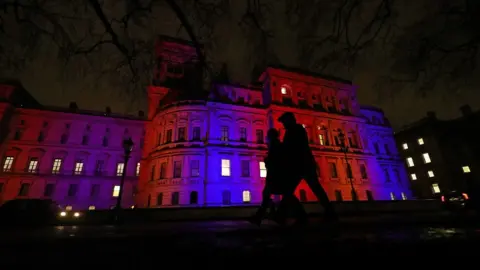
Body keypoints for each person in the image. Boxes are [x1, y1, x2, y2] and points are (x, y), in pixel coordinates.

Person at [276, 112, 337, 224]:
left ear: (289, 120)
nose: (283, 124)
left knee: (289, 189)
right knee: (314, 188)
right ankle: (328, 210)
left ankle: (287, 214)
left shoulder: (294, 131)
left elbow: (291, 147)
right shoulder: (296, 130)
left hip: (300, 165)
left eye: (284, 122)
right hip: (304, 164)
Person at [249, 128, 286, 226]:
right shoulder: (277, 145)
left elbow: (274, 161)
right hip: (277, 175)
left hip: (275, 176)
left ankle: (261, 217)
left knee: (267, 195)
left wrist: (267, 161)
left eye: (268, 136)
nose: (266, 138)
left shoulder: (274, 146)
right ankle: (265, 216)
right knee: (286, 195)